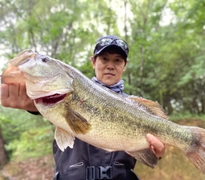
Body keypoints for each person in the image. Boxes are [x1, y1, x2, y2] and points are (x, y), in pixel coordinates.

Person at [1, 35, 165, 180]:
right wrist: (32, 104)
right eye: (104, 59)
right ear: (93, 61)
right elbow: (49, 104)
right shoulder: (64, 93)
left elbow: (151, 151)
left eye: (117, 60)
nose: (110, 65)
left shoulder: (136, 108)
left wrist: (152, 150)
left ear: (125, 65)